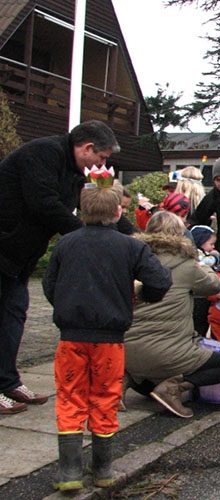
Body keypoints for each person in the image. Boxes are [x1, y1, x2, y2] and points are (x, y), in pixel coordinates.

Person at [43, 180, 171, 490]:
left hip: (72, 336)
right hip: (110, 339)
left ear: (81, 209)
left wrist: (67, 307)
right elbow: (160, 281)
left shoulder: (66, 244)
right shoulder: (131, 246)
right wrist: (143, 297)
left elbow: (50, 286)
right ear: (117, 211)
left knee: (70, 397)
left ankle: (70, 472)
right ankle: (102, 469)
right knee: (104, 397)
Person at [0, 120, 120, 415]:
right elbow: (44, 204)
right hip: (4, 246)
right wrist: (85, 235)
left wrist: (122, 235)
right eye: (102, 157)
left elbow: (93, 205)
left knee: (13, 317)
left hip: (19, 258)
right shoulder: (42, 154)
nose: (101, 164)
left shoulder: (75, 171)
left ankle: (7, 381)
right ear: (88, 148)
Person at [124, 211, 220, 419]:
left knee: (147, 375)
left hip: (125, 351)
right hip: (169, 354)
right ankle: (172, 389)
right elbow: (213, 286)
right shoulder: (186, 264)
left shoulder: (132, 259)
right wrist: (203, 264)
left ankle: (125, 378)